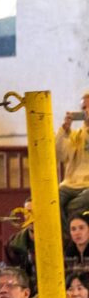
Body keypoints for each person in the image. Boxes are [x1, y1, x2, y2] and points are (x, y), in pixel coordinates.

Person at [58, 91, 89, 222]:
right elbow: (60, 155)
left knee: (73, 207)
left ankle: (71, 237)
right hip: (70, 184)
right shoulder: (76, 135)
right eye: (84, 108)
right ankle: (65, 239)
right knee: (51, 202)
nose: (87, 110)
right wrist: (64, 130)